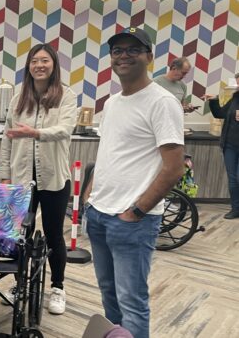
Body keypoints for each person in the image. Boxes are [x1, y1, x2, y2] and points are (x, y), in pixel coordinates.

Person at [83, 28, 184, 338]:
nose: (123, 55)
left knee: (132, 301)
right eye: (117, 51)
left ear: (149, 57)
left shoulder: (162, 102)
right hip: (99, 214)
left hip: (132, 221)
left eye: (132, 50)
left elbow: (173, 168)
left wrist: (136, 211)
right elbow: (110, 153)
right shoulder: (112, 103)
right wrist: (90, 194)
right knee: (109, 296)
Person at [0, 43, 77, 315]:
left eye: (45, 60)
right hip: (22, 180)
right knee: (21, 235)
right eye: (35, 61)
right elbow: (7, 140)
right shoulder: (17, 98)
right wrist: (5, 175)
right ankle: (20, 283)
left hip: (55, 179)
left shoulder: (66, 96)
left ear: (53, 65)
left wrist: (35, 133)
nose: (39, 65)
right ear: (28, 66)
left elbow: (65, 129)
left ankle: (57, 287)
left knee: (54, 235)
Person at [201, 73, 239, 219]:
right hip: (230, 145)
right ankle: (236, 209)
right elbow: (220, 114)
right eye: (237, 83)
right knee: (233, 179)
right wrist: (214, 100)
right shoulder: (235, 98)